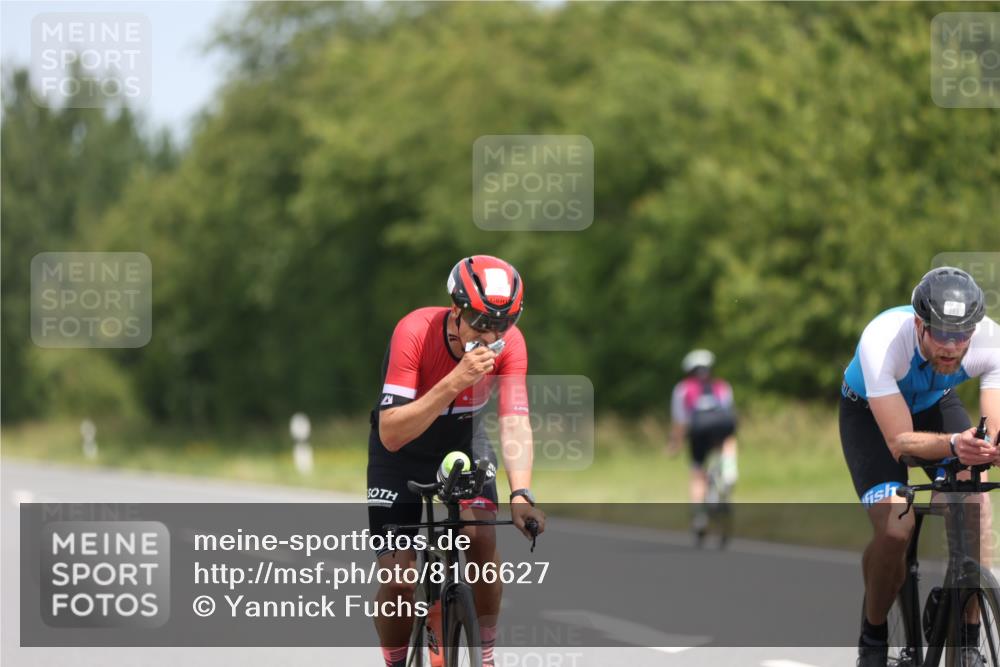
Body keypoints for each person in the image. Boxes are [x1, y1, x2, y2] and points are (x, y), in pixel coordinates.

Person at [367, 254, 546, 667]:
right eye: (481, 322)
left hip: (463, 445)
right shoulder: (414, 331)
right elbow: (391, 434)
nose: (491, 334)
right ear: (456, 310)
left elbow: (515, 420)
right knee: (398, 583)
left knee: (481, 539)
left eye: (502, 324)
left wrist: (521, 492)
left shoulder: (510, 344)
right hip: (401, 451)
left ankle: (484, 657)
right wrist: (456, 380)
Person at [841, 267, 1000, 667]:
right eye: (941, 334)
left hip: (933, 404)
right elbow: (900, 442)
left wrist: (986, 447)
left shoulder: (990, 341)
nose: (952, 346)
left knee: (974, 507)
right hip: (871, 416)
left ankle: (966, 636)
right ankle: (873, 636)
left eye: (961, 336)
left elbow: (992, 429)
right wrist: (953, 444)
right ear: (919, 324)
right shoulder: (882, 341)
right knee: (897, 527)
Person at [668, 349, 738, 537]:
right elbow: (729, 412)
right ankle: (730, 471)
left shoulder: (682, 389)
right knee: (727, 441)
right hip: (721, 426)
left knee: (698, 473)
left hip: (698, 429)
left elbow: (680, 422)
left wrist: (675, 444)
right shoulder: (722, 386)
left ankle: (700, 517)